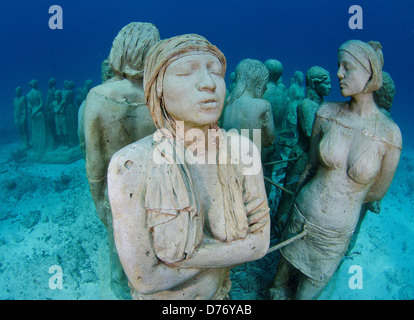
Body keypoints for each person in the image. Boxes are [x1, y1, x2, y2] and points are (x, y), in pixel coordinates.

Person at [107, 34, 270, 300]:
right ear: (157, 87)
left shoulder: (243, 150)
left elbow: (260, 245)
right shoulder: (131, 165)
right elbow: (145, 279)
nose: (209, 84)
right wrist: (230, 252)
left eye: (216, 72)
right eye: (184, 73)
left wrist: (176, 259)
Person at [269, 40, 402, 300]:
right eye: (338, 66)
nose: (339, 73)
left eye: (347, 67)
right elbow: (311, 166)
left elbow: (375, 193)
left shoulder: (390, 135)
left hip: (336, 232)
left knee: (308, 292)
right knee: (276, 285)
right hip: (303, 212)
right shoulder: (326, 112)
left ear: (370, 74)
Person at [83, 22, 160, 299]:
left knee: (119, 244)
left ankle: (121, 289)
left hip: (116, 191)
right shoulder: (161, 97)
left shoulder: (97, 97)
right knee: (154, 245)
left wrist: (98, 201)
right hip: (156, 188)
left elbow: (94, 160)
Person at [275, 66, 331, 233]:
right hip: (302, 156)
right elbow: (309, 133)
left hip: (313, 157)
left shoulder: (321, 105)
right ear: (314, 83)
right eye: (326, 83)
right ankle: (280, 229)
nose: (330, 86)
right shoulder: (307, 105)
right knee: (289, 194)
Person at [221, 58, 276, 152]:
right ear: (257, 81)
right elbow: (270, 140)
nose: (266, 88)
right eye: (264, 83)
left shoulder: (229, 101)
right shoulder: (263, 105)